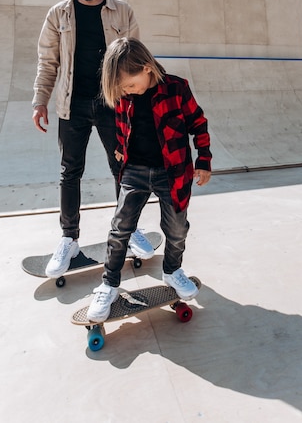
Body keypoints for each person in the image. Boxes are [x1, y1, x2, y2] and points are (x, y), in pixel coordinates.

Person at [32, 0, 154, 278]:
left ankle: (127, 232)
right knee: (70, 172)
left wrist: (141, 103)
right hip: (71, 105)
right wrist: (40, 100)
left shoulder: (123, 12)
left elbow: (136, 61)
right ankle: (69, 239)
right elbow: (48, 61)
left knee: (124, 171)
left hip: (112, 104)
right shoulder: (58, 14)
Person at [87, 37, 212, 322]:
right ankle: (109, 284)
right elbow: (122, 125)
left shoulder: (177, 89)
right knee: (121, 228)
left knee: (176, 229)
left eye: (129, 85)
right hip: (135, 171)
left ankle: (172, 271)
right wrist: (121, 148)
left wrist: (204, 159)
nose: (126, 92)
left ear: (146, 69)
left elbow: (198, 123)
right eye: (121, 89)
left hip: (173, 172)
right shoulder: (124, 97)